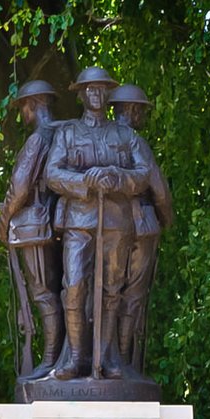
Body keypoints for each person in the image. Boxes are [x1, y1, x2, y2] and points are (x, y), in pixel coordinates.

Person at [43, 67, 152, 379]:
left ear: (107, 95)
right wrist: (84, 182)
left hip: (117, 222)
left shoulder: (124, 135)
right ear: (81, 94)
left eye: (101, 89)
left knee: (112, 289)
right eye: (89, 89)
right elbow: (53, 174)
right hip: (79, 221)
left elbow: (143, 172)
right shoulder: (68, 134)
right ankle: (75, 357)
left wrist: (118, 178)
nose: (95, 94)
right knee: (74, 286)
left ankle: (106, 358)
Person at [0, 79, 64, 380]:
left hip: (34, 225)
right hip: (54, 223)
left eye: (23, 106)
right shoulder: (62, 135)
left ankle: (51, 358)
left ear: (34, 104)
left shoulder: (38, 139)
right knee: (52, 291)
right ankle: (57, 355)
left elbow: (21, 187)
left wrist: (3, 218)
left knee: (42, 293)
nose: (22, 113)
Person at [107, 83, 170, 378]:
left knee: (108, 292)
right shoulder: (135, 141)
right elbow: (158, 188)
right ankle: (122, 361)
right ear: (131, 110)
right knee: (132, 293)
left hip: (106, 228)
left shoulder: (101, 141)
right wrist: (166, 218)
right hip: (141, 226)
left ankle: (109, 356)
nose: (142, 116)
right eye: (141, 110)